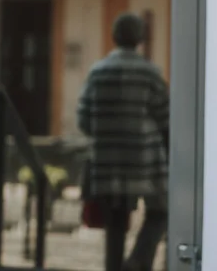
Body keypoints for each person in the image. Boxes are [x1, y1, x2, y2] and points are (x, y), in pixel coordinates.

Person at [77, 13, 169, 271]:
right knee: (161, 211)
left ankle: (116, 267)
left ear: (115, 36)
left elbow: (83, 119)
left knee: (115, 226)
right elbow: (165, 118)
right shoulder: (149, 73)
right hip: (145, 162)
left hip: (106, 162)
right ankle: (139, 260)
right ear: (139, 38)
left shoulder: (98, 72)